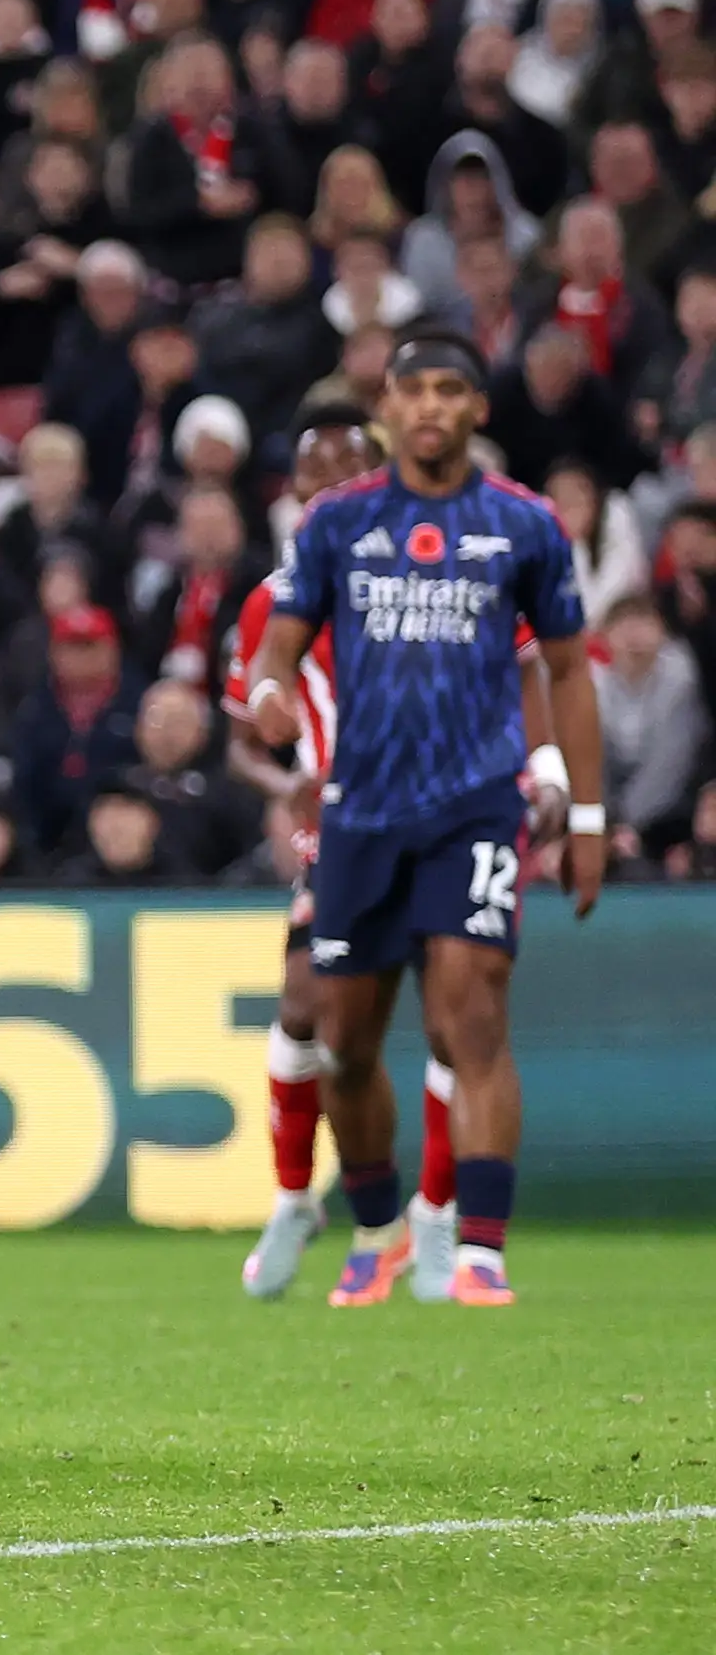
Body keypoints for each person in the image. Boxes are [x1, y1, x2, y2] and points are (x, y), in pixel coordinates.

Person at [246, 331, 604, 1309]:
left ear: (478, 407)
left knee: (471, 1014)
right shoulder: (334, 526)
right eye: (416, 389)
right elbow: (274, 649)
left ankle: (481, 1250)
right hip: (362, 812)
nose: (434, 406)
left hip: (477, 804)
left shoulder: (524, 526)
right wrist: (272, 693)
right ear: (391, 407)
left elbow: (563, 667)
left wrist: (587, 810)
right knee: (347, 1042)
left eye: (453, 389)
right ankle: (378, 1226)